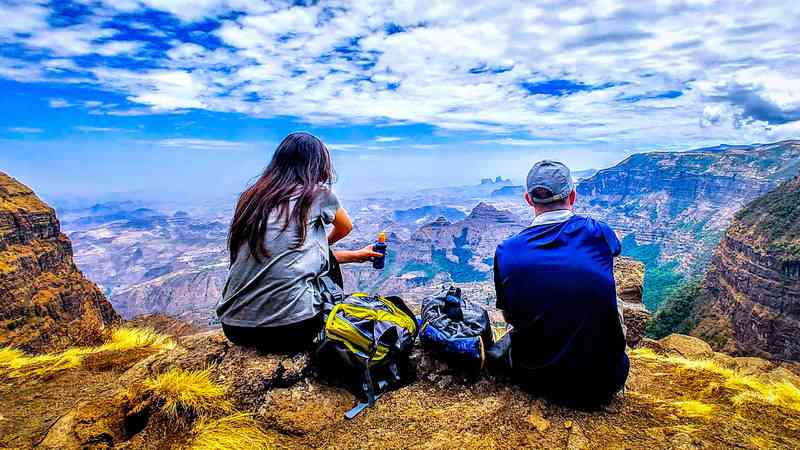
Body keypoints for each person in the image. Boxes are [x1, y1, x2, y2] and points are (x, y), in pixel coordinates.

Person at [216, 132, 382, 353]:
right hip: (293, 329)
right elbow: (345, 227)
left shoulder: (251, 198)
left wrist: (356, 256)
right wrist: (326, 243)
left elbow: (288, 258)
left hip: (234, 328)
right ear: (317, 163)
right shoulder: (317, 194)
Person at [491, 160, 628, 407]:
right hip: (604, 382)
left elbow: (509, 315)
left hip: (535, 380)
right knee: (607, 291)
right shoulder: (599, 233)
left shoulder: (506, 251)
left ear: (528, 199)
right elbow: (615, 248)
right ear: (572, 196)